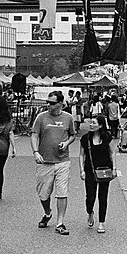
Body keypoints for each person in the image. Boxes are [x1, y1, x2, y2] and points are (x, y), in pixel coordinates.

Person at [30, 91, 76, 236]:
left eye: (52, 103)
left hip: (62, 161)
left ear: (60, 104)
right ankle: (47, 212)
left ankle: (60, 222)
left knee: (62, 192)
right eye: (47, 102)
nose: (48, 105)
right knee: (43, 194)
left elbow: (72, 135)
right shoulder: (41, 117)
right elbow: (34, 134)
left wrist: (66, 143)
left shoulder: (68, 118)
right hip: (45, 161)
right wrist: (36, 152)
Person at [79, 115, 116, 234]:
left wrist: (114, 168)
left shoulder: (107, 137)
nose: (91, 125)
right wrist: (82, 170)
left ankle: (101, 222)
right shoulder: (85, 139)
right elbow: (81, 155)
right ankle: (90, 212)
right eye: (90, 122)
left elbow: (112, 152)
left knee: (103, 197)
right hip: (90, 170)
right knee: (90, 197)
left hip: (105, 170)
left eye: (94, 123)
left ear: (100, 125)